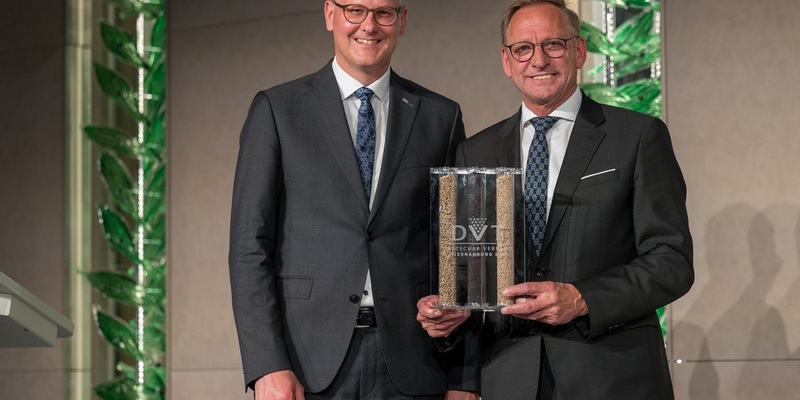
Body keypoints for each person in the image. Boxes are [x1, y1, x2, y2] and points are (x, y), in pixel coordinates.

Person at [416, 0, 694, 399]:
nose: (538, 60)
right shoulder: (474, 152)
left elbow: (672, 261)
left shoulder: (637, 136)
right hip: (509, 377)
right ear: (506, 61)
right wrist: (449, 309)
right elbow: (468, 270)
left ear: (579, 51)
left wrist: (582, 299)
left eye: (554, 45)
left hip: (613, 376)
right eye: (523, 49)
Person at [229, 1, 478, 399]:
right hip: (306, 366)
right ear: (330, 14)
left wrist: (465, 379)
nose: (369, 26)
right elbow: (248, 248)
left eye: (384, 13)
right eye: (355, 10)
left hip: (415, 363)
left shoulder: (440, 117)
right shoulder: (277, 110)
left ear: (403, 21)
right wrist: (267, 366)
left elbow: (459, 252)